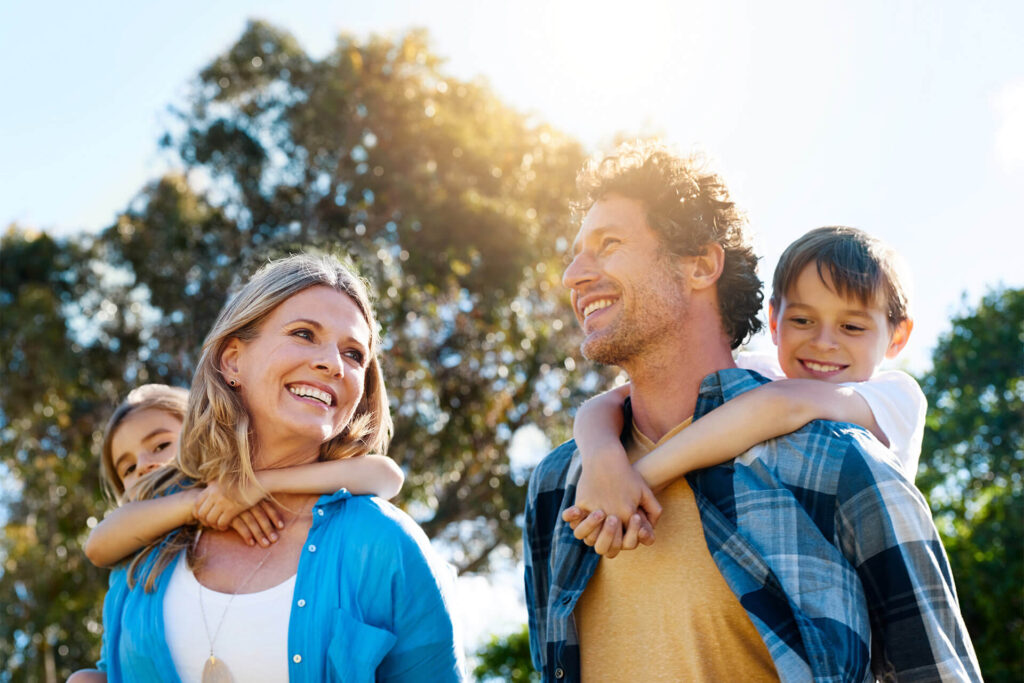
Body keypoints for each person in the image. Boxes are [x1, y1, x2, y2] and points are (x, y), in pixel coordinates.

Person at [523, 141, 980, 681]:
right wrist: (602, 458)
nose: (573, 273)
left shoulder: (840, 467)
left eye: (609, 244)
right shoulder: (559, 485)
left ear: (700, 264)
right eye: (577, 251)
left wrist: (638, 475)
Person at [94, 253, 464, 682]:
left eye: (354, 354)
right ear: (233, 360)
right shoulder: (149, 551)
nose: (333, 364)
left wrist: (255, 485)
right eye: (304, 334)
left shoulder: (384, 546)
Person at [565, 226, 926, 557]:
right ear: (774, 322)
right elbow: (610, 401)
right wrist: (603, 461)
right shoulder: (762, 373)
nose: (824, 342)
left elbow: (782, 405)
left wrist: (638, 480)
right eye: (802, 321)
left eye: (851, 326)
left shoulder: (894, 397)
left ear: (897, 336)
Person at [82, 381, 404, 567]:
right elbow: (96, 547)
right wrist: (200, 504)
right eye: (126, 467)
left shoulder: (247, 475)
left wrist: (258, 485)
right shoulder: (135, 530)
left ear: (199, 429)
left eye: (160, 444)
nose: (143, 465)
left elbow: (386, 476)